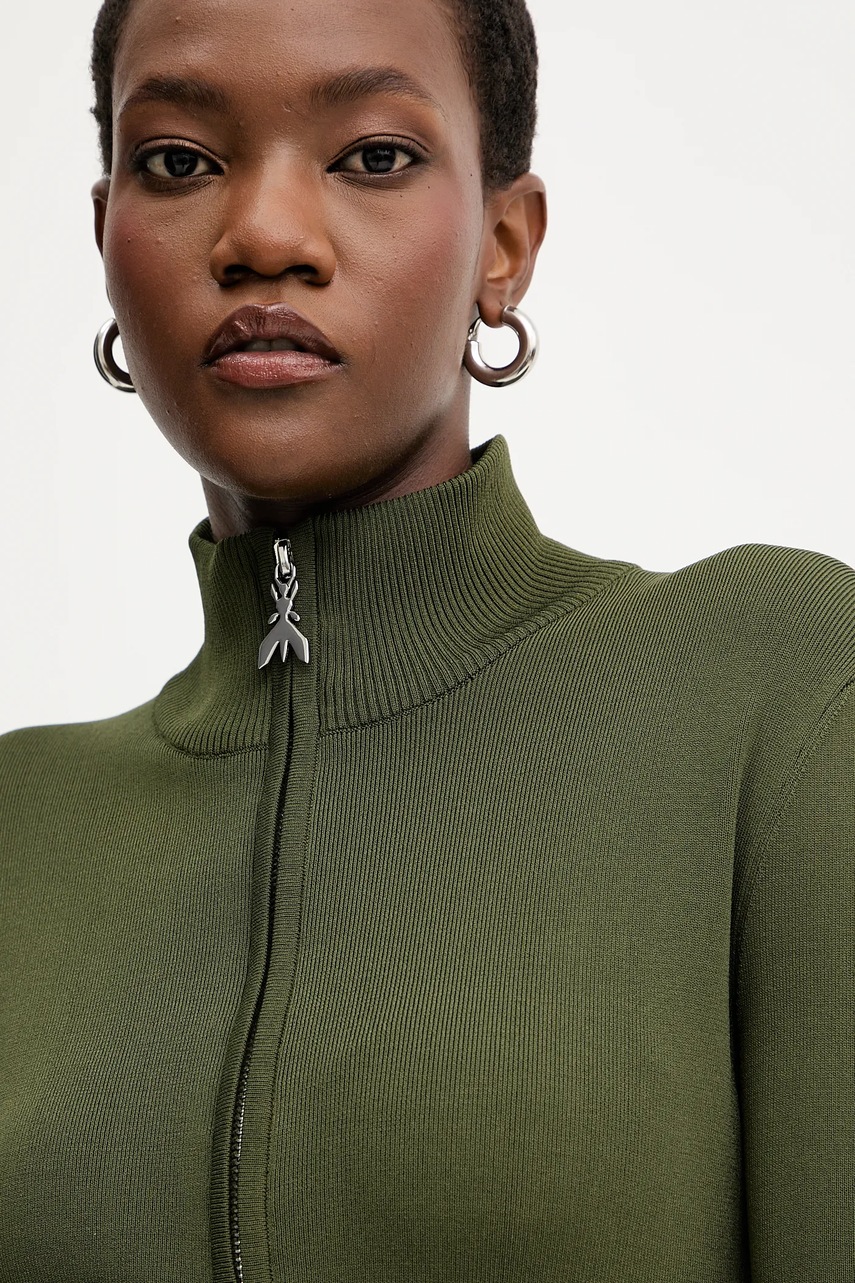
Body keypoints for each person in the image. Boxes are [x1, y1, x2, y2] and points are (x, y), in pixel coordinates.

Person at [0, 0, 852, 1279]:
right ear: (106, 233)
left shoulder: (777, 690)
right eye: (177, 160)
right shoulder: (19, 823)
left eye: (374, 156)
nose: (265, 236)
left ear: (504, 245)